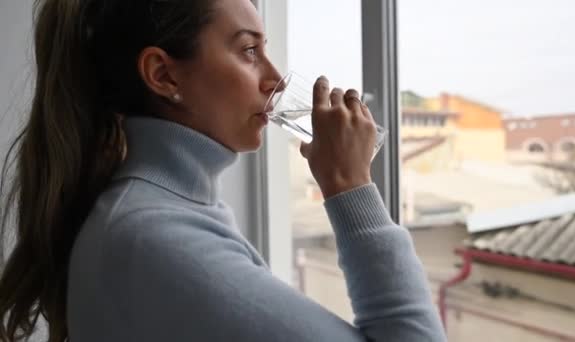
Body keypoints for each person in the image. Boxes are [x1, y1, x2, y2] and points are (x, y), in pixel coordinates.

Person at [0, 0, 446, 341]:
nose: (274, 77)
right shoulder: (152, 239)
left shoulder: (161, 214)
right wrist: (350, 186)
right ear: (164, 75)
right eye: (249, 50)